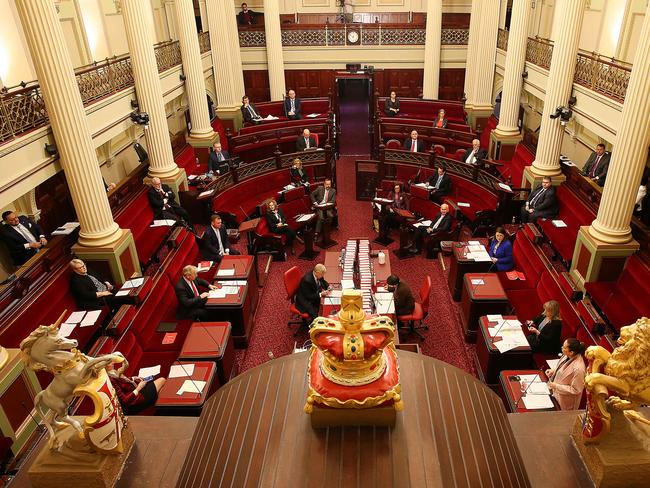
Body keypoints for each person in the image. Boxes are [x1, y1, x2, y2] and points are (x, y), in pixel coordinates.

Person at [69, 259, 135, 312]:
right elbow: (87, 295)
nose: (84, 268)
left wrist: (107, 283)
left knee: (124, 292)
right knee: (118, 298)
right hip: (97, 298)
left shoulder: (87, 270)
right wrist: (103, 293)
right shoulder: (76, 281)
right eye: (80, 268)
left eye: (83, 265)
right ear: (75, 270)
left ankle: (135, 301)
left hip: (106, 289)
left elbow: (100, 277)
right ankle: (134, 303)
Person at [545, 338, 586, 410]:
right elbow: (563, 367)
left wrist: (556, 386)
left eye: (564, 347)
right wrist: (554, 371)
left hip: (565, 401)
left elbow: (575, 390)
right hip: (555, 393)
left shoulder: (579, 369)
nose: (562, 348)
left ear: (571, 352)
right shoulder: (566, 355)